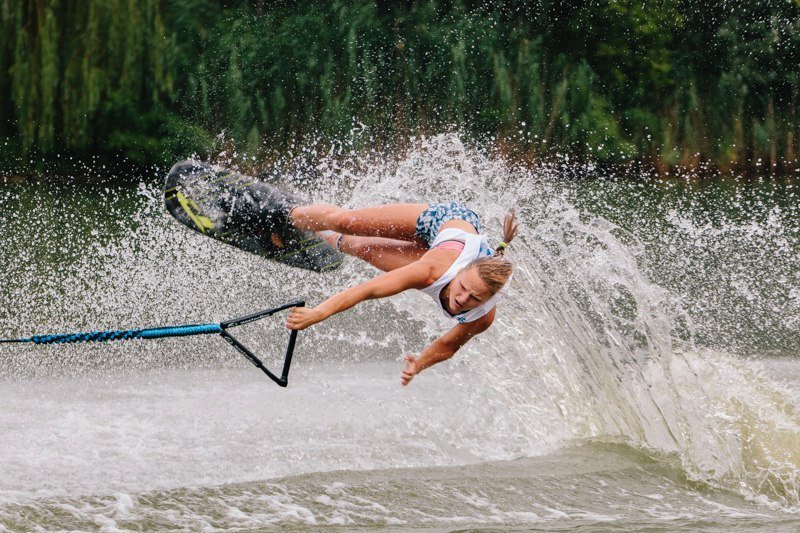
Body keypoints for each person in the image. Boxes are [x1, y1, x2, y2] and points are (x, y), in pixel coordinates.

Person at [285, 202, 518, 386]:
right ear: (460, 272)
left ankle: (318, 234)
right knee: (344, 221)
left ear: (487, 299)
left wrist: (418, 365)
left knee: (364, 248)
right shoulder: (429, 271)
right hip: (443, 220)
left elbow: (448, 345)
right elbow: (367, 290)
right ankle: (287, 214)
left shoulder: (482, 316)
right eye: (463, 287)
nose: (462, 299)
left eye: (474, 298)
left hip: (448, 253)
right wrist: (319, 312)